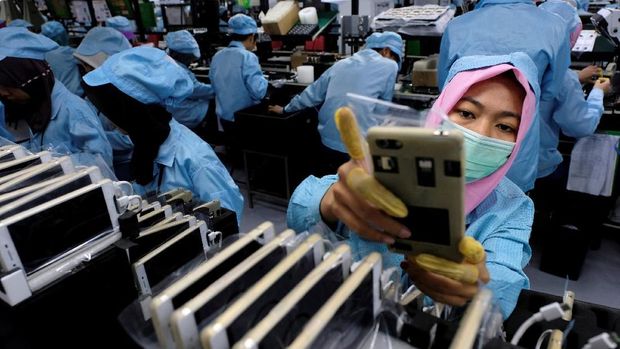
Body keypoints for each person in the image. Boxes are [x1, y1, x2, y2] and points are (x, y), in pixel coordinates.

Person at [287, 53, 539, 319]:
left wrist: (475, 289)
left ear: (520, 137)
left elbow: (503, 284)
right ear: (442, 109)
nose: (480, 134)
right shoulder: (394, 165)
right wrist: (331, 203)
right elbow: (300, 213)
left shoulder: (513, 207)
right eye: (466, 112)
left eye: (505, 126)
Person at [82, 46, 244, 224]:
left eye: (111, 110)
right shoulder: (146, 142)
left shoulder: (195, 161)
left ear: (131, 112)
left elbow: (229, 221)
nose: (106, 117)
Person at [438, 0, 571, 192]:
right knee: (508, 205)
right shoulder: (555, 26)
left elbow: (447, 89)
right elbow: (549, 90)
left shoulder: (458, 26)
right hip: (512, 142)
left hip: (462, 137)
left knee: (452, 204)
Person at [269, 32, 403, 173]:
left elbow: (312, 93)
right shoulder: (390, 65)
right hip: (357, 147)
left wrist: (285, 109)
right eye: (395, 57)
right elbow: (383, 111)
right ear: (386, 50)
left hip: (327, 141)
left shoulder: (340, 64)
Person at [0, 28, 113, 168]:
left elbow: (101, 163)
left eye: (8, 86)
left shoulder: (73, 110)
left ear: (29, 79)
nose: (3, 93)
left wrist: (50, 165)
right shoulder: (18, 107)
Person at [537, 0, 610, 179]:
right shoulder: (564, 77)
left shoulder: (518, 58)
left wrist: (575, 77)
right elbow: (581, 126)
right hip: (538, 166)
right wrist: (598, 92)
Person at [74, 26, 134, 175]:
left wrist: (94, 139)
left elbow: (129, 140)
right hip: (102, 162)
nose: (86, 70)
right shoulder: (96, 91)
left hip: (126, 164)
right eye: (83, 66)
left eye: (88, 66)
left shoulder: (127, 94)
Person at [209, 14, 267, 133]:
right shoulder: (248, 57)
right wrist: (265, 80)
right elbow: (259, 92)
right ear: (251, 37)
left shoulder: (217, 56)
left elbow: (214, 86)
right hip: (244, 119)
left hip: (224, 119)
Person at [165, 30, 214, 129]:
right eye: (188, 58)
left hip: (170, 110)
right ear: (180, 55)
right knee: (214, 105)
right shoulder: (178, 70)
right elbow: (196, 90)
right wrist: (219, 89)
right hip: (184, 113)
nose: (190, 61)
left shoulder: (165, 61)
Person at [41, 20, 83, 96]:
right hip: (74, 95)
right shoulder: (67, 52)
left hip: (55, 97)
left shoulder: (41, 53)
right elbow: (89, 57)